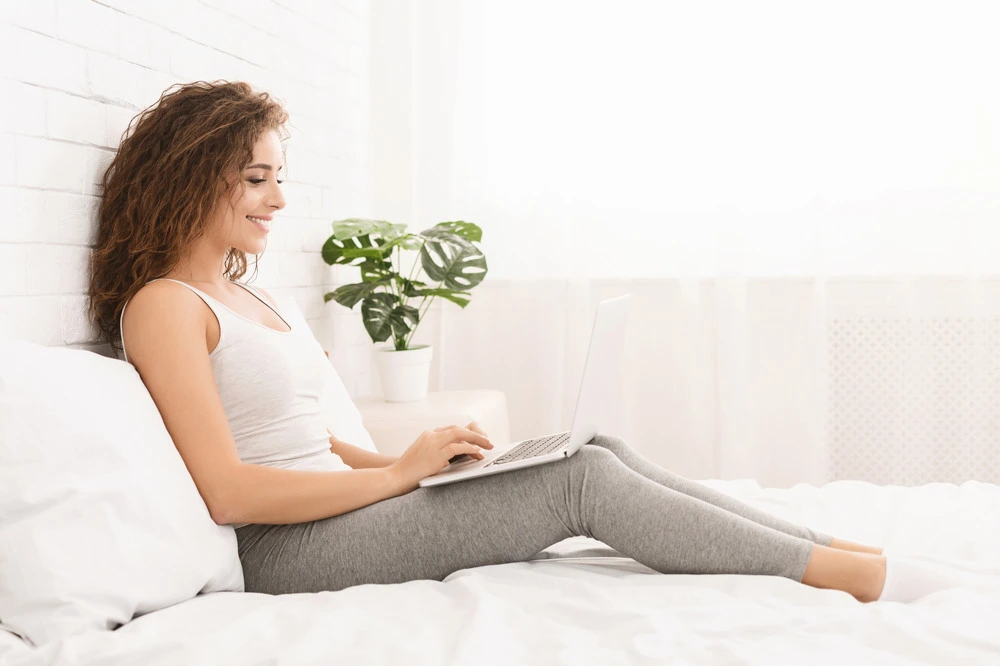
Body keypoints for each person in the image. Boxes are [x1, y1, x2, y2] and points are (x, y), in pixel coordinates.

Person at [88, 80, 992, 605]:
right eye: (255, 179)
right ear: (191, 173)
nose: (277, 201)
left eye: (278, 178)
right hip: (284, 553)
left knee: (590, 448)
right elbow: (227, 487)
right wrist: (395, 480)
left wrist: (403, 461)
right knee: (578, 482)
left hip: (337, 509)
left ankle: (840, 548)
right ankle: (859, 578)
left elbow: (308, 443)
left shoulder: (242, 296)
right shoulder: (165, 304)